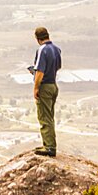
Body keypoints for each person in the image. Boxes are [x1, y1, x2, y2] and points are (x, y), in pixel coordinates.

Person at [30, 26, 62, 157]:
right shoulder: (56, 49)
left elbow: (40, 71)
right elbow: (57, 67)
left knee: (44, 117)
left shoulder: (42, 49)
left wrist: (36, 87)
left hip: (45, 87)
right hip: (53, 85)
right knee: (50, 116)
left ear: (38, 39)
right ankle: (48, 144)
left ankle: (49, 147)